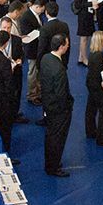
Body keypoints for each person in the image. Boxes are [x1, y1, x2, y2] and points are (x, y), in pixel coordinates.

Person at [40, 33, 73, 177]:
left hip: (47, 104)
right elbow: (61, 94)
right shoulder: (59, 69)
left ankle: (50, 163)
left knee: (50, 136)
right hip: (59, 110)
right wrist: (68, 107)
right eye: (66, 44)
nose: (68, 46)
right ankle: (53, 167)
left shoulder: (46, 58)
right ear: (61, 47)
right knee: (57, 139)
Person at [84, 31, 103, 144]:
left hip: (92, 86)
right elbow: (97, 75)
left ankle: (90, 131)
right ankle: (102, 139)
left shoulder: (94, 53)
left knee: (91, 110)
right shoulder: (98, 56)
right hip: (97, 88)